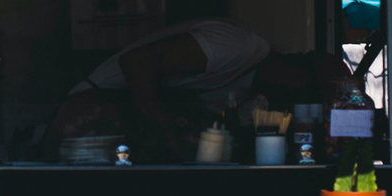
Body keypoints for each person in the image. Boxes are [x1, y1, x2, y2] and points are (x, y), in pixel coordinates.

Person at [60, 18, 273, 162]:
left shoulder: (246, 87)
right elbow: (135, 63)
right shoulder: (235, 45)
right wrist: (168, 127)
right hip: (98, 115)